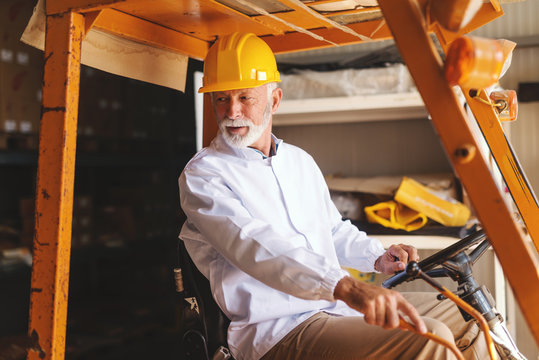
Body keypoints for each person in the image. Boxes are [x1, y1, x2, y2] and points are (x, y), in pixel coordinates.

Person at [179, 32, 487, 360]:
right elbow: (256, 246)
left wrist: (377, 257)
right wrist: (346, 286)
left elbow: (333, 230)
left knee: (471, 316)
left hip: (335, 307)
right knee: (430, 339)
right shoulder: (204, 175)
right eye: (221, 99)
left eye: (245, 98)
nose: (231, 111)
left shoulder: (299, 161)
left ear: (275, 100)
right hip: (278, 330)